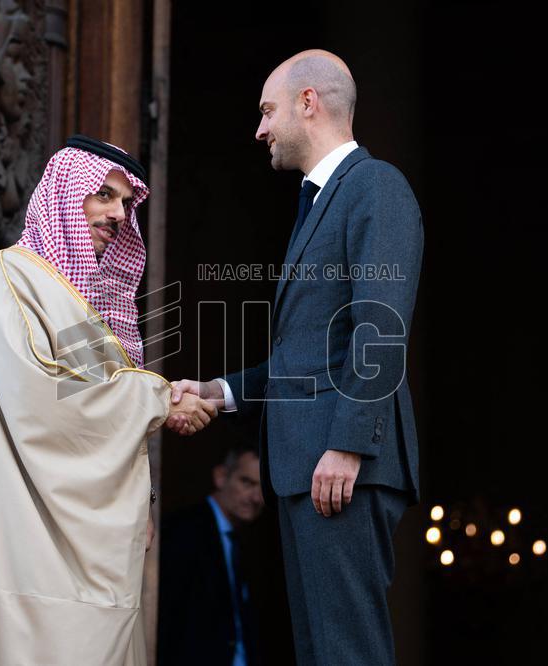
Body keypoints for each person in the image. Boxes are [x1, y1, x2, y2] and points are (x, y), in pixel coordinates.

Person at [0, 135, 217, 666]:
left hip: (85, 539)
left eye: (125, 202)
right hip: (18, 535)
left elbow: (97, 410)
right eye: (102, 195)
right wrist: (160, 398)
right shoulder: (5, 280)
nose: (117, 213)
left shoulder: (84, 305)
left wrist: (136, 500)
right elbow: (45, 402)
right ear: (63, 196)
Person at [168, 50, 424, 665]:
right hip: (311, 468)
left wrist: (348, 445)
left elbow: (379, 329)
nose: (260, 129)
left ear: (309, 102)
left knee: (347, 653)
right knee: (321, 653)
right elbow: (307, 357)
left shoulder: (375, 186)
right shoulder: (317, 202)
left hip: (340, 467)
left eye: (267, 110)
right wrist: (219, 392)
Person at [157, 446, 264, 666]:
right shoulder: (183, 531)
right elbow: (170, 615)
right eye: (247, 482)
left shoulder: (243, 539)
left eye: (263, 488)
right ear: (221, 477)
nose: (256, 497)